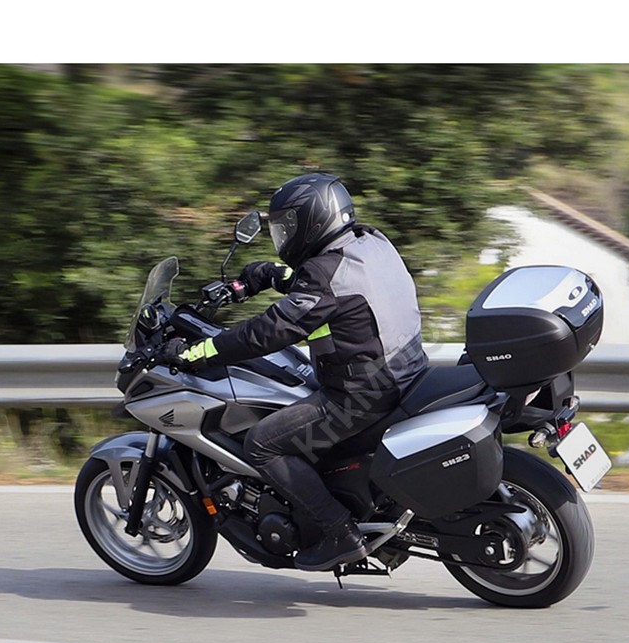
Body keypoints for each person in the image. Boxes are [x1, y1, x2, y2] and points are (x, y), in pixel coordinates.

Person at [162, 173, 429, 571]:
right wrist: (271, 275)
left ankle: (340, 533)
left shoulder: (324, 274)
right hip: (404, 372)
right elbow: (331, 293)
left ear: (313, 221)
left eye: (287, 226)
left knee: (262, 444)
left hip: (361, 394)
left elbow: (269, 331)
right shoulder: (370, 242)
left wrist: (196, 353)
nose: (284, 236)